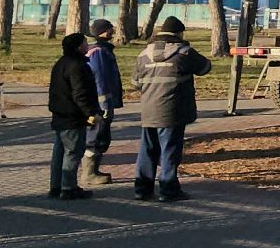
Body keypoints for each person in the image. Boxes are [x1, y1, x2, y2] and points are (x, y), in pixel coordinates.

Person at [134, 16, 212, 202]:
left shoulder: (143, 54)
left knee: (147, 149)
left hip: (148, 110)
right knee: (169, 149)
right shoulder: (184, 53)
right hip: (173, 110)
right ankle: (168, 189)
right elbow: (205, 67)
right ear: (179, 33)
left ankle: (142, 189)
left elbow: (136, 82)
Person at [48, 33, 101, 200]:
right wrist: (90, 112)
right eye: (85, 43)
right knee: (73, 152)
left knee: (59, 153)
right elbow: (80, 93)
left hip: (60, 113)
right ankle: (69, 188)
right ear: (79, 46)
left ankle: (56, 186)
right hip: (73, 115)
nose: (88, 45)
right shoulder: (77, 66)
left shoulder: (60, 63)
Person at [82, 19, 124, 186]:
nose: (112, 32)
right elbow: (100, 79)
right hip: (100, 104)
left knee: (99, 135)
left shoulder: (99, 49)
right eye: (110, 29)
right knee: (97, 135)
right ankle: (89, 173)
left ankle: (93, 170)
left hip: (100, 102)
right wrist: (105, 104)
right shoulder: (98, 52)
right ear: (103, 31)